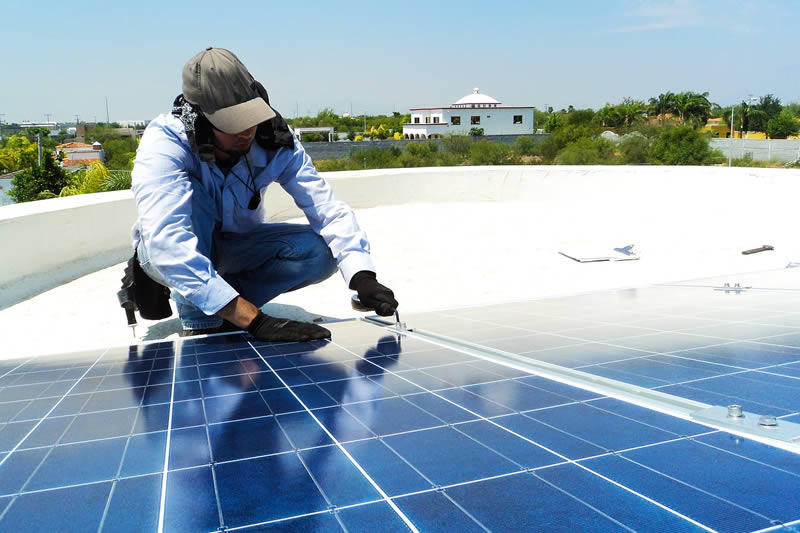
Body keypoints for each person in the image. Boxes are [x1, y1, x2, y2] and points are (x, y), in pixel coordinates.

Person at [130, 47, 398, 342]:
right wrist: (255, 322)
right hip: (165, 252)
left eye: (250, 117)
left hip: (236, 244)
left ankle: (220, 303)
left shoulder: (275, 139)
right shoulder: (165, 142)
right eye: (232, 123)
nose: (246, 131)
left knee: (320, 253)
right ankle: (202, 317)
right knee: (194, 201)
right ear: (202, 119)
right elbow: (168, 242)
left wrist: (362, 276)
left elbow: (325, 207)